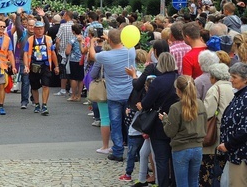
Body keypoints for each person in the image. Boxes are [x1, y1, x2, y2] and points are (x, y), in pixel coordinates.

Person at [89, 28, 135, 162]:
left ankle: (118, 151)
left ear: (109, 41)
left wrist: (92, 42)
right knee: (131, 124)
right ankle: (133, 152)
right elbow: (129, 44)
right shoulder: (130, 52)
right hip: (129, 93)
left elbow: (92, 55)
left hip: (113, 94)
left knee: (115, 124)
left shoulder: (105, 55)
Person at [139, 52, 179, 187]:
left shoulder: (158, 82)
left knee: (161, 159)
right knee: (175, 159)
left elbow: (146, 103)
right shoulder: (179, 79)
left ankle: (162, 184)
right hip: (177, 122)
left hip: (159, 124)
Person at [160, 75, 207, 187]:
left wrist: (165, 120)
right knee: (194, 182)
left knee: (182, 183)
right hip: (197, 147)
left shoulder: (176, 108)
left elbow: (170, 132)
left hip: (181, 148)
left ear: (178, 91)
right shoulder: (200, 104)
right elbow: (204, 123)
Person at [199, 63, 234, 187]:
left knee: (209, 171)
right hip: (230, 136)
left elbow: (207, 113)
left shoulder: (215, 89)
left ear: (213, 77)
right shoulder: (233, 87)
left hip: (215, 136)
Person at [217, 62, 247, 187]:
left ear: (245, 79)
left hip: (240, 154)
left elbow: (245, 129)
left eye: (234, 77)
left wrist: (228, 145)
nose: (231, 80)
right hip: (234, 153)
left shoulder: (245, 97)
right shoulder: (240, 95)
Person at [23, 20, 60, 116]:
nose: (39, 31)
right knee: (34, 86)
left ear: (44, 29)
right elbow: (26, 53)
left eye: (41, 29)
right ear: (34, 29)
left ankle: (44, 105)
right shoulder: (30, 40)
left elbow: (53, 53)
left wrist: (56, 66)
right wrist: (26, 66)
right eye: (37, 29)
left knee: (45, 85)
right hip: (34, 64)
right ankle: (36, 104)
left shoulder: (48, 39)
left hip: (45, 65)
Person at [54, 10, 76, 97]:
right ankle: (71, 89)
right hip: (73, 52)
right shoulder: (75, 25)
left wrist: (57, 49)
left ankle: (63, 89)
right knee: (71, 71)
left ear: (67, 16)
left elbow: (58, 40)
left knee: (63, 72)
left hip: (63, 51)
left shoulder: (63, 26)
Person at [64, 23, 84, 101]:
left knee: (74, 78)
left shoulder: (72, 40)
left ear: (73, 31)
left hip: (74, 59)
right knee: (80, 78)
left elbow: (67, 52)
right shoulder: (84, 38)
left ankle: (73, 95)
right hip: (82, 59)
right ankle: (79, 95)